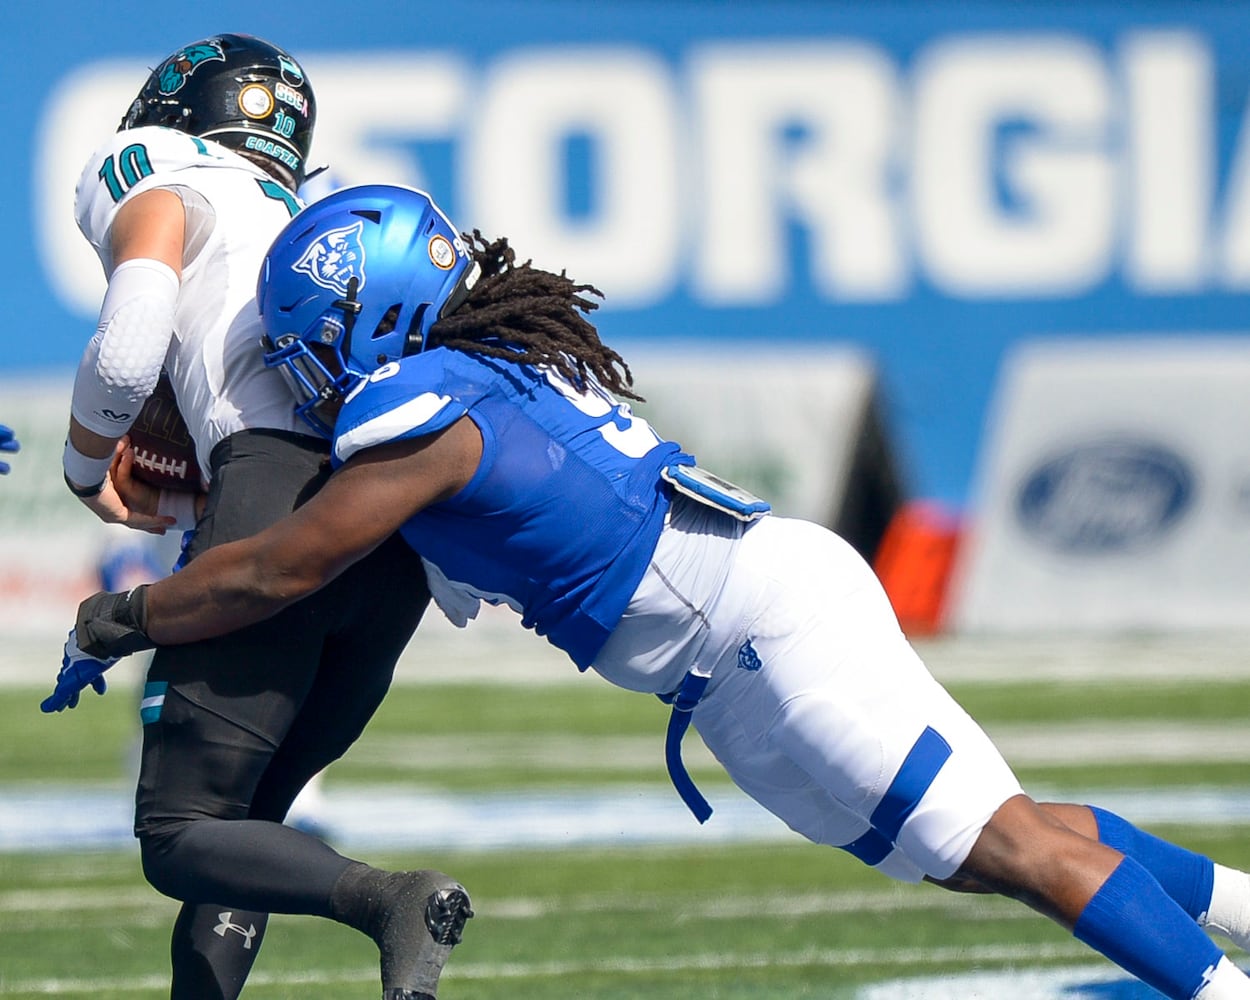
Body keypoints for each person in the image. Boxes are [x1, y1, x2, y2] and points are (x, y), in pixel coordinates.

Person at [53, 182, 1250, 1000]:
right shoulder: (486, 365)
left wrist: (130, 614)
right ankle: (1237, 913)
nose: (301, 365)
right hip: (736, 653)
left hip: (761, 634)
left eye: (314, 333)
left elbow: (284, 565)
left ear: (373, 316)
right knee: (992, 848)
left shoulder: (411, 406)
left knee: (1010, 848)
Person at [48, 42, 470, 1000]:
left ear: (174, 105)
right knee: (247, 828)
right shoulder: (310, 211)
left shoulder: (155, 165)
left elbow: (127, 349)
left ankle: (388, 899)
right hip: (388, 519)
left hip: (271, 492)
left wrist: (84, 466)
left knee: (180, 834)